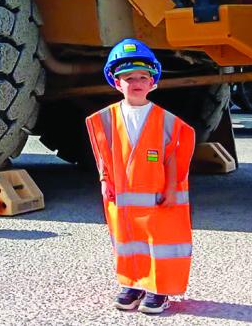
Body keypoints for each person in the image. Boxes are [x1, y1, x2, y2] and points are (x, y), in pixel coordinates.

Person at [85, 39, 195, 314]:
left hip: (158, 199)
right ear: (116, 82)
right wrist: (104, 181)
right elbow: (103, 155)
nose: (136, 82)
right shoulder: (106, 119)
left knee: (159, 243)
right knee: (128, 241)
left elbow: (173, 156)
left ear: (152, 82)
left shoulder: (166, 120)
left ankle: (158, 289)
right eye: (128, 77)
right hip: (123, 200)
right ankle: (132, 283)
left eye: (142, 77)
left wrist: (171, 188)